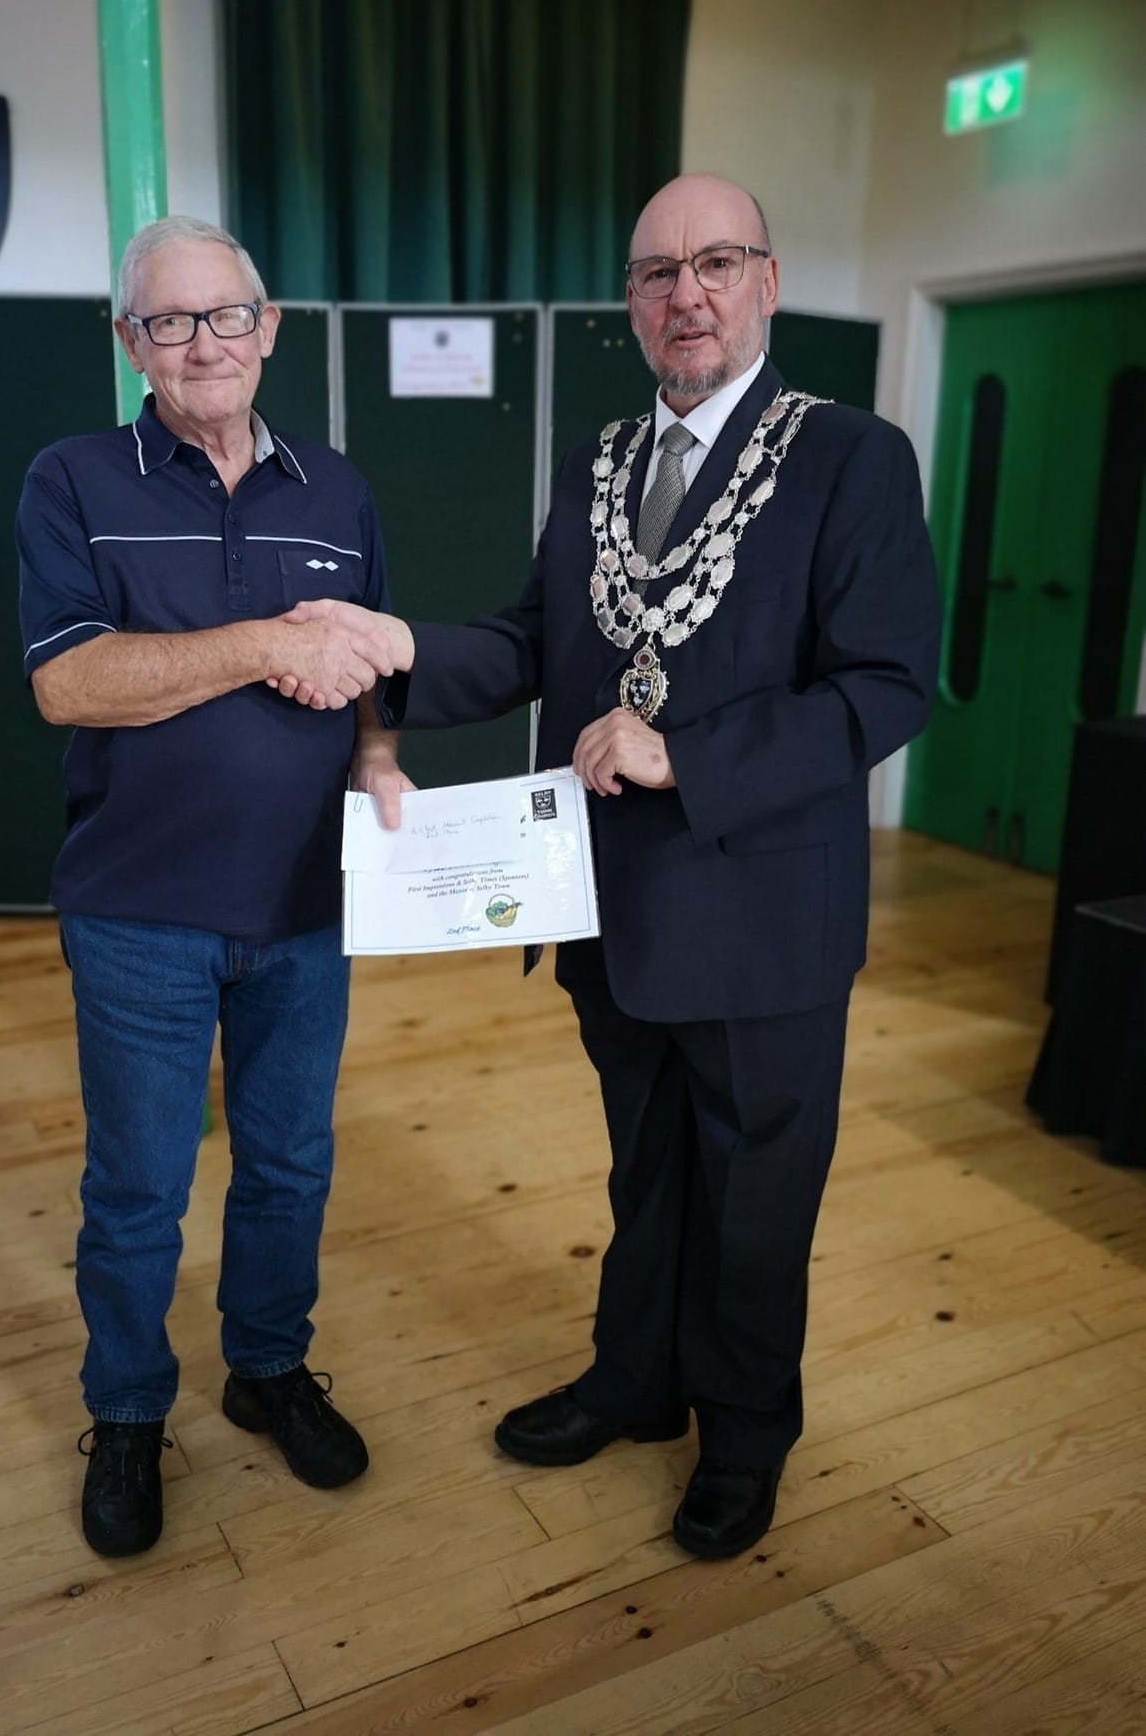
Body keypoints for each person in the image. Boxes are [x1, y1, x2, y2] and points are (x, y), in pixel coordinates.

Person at [274, 174, 942, 1559]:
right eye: (654, 274)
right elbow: (532, 643)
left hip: (761, 914)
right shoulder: (601, 462)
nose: (683, 295)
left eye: (712, 264)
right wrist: (395, 648)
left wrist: (684, 754)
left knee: (757, 1199)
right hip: (609, 904)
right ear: (629, 304)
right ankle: (635, 1384)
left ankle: (744, 1435)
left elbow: (887, 688)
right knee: (647, 1172)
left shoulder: (850, 457)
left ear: (766, 279)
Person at [15, 216, 411, 1558]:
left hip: (309, 910)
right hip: (138, 916)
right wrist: (251, 646)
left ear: (271, 325)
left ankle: (266, 1367)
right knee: (137, 1191)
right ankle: (128, 1412)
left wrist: (376, 756)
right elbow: (70, 680)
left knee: (290, 1168)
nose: (204, 344)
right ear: (133, 343)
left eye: (225, 315)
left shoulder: (338, 490)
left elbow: (374, 669)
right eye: (170, 322)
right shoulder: (72, 479)